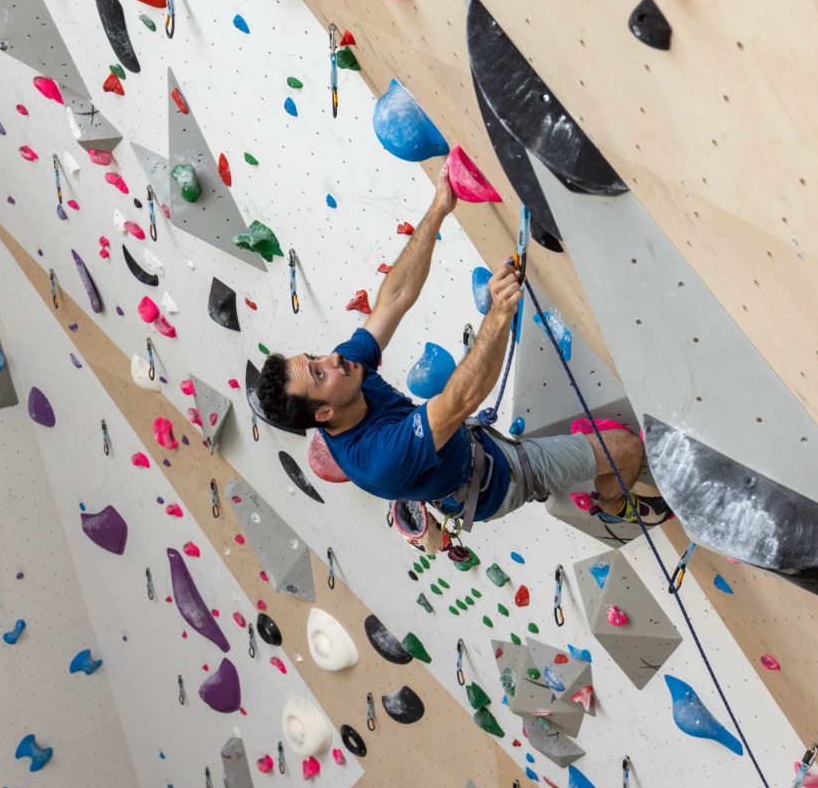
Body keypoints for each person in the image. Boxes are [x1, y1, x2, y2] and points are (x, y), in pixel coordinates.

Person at [256, 166, 670, 548]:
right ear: (324, 413)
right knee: (625, 449)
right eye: (319, 373)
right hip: (499, 481)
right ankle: (613, 507)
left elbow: (395, 297)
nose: (332, 359)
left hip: (464, 448)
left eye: (315, 357)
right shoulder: (379, 459)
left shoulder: (345, 372)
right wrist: (499, 313)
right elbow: (460, 400)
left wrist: (438, 208)